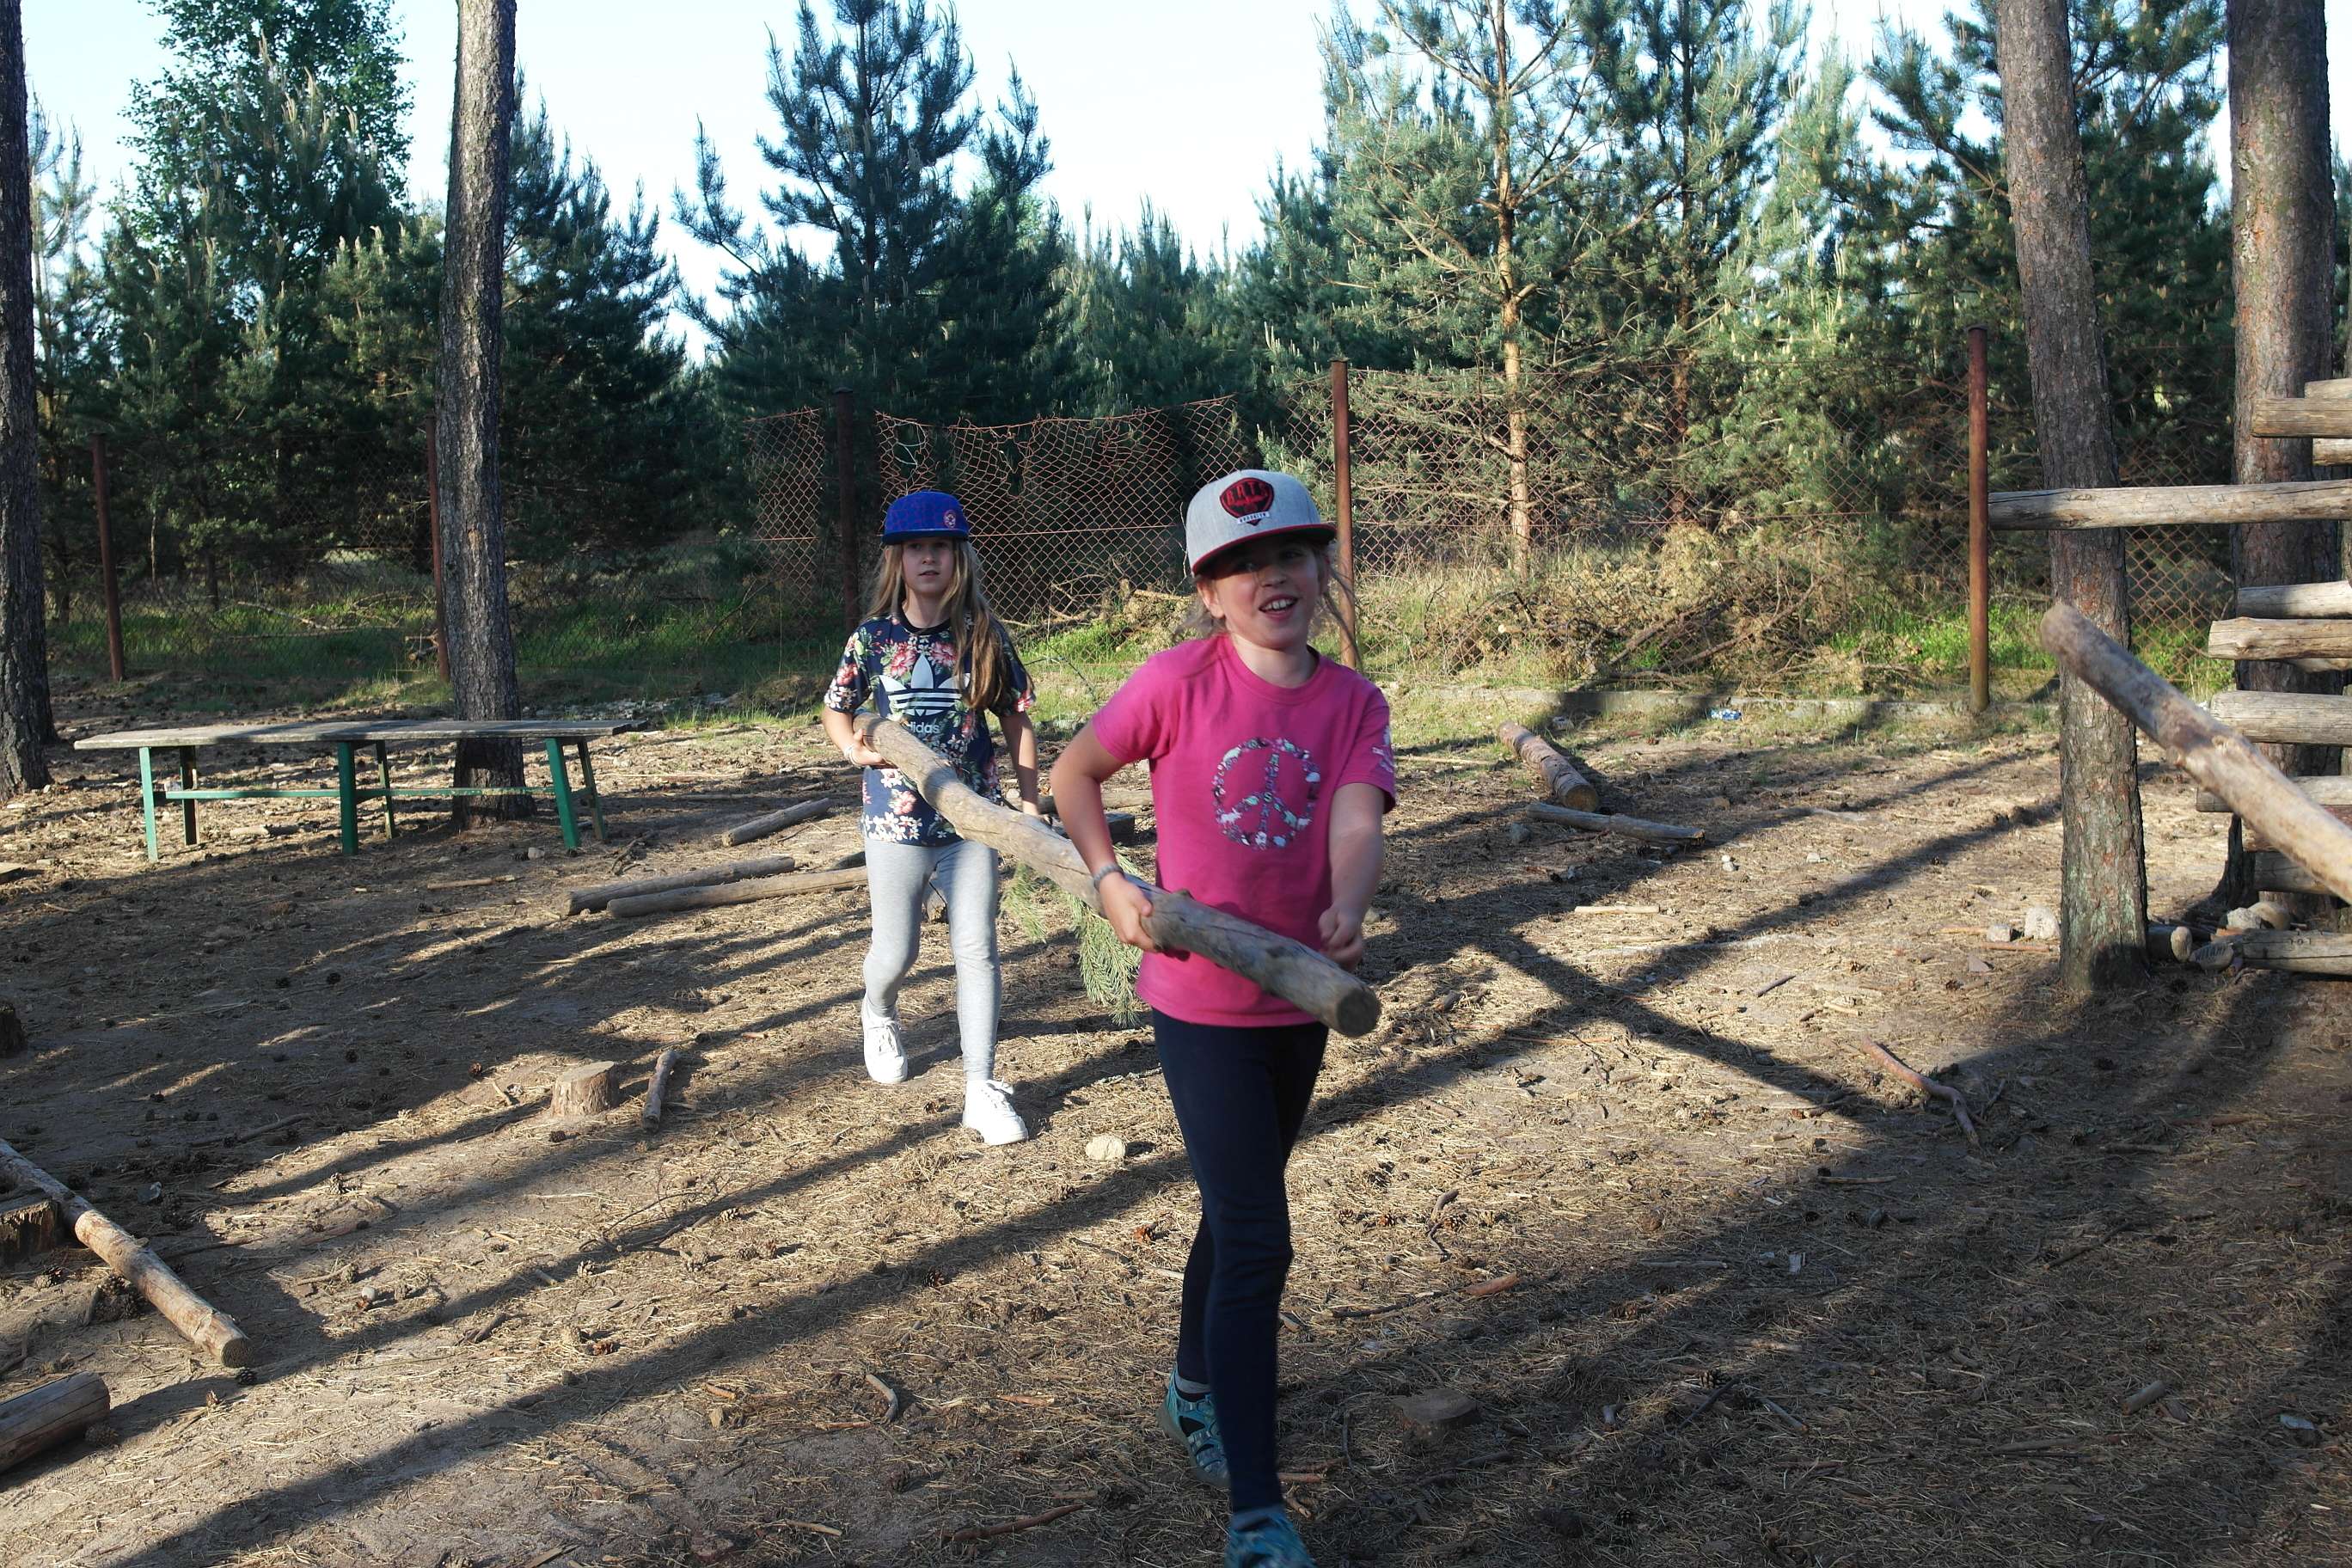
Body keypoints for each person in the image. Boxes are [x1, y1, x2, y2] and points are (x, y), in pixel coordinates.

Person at [1051, 470, 1393, 1568]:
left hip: (1298, 993)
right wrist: (1109, 878)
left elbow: (1355, 815)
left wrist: (1349, 905)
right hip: (1199, 1001)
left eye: (1289, 554)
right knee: (1257, 1235)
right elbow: (1075, 772)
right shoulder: (1175, 683)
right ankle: (1257, 1513)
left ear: (1319, 568)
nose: (1270, 578)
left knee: (1235, 1203)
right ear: (1208, 590)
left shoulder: (1353, 702)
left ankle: (1194, 1384)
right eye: (1242, 564)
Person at [821, 489, 1039, 1145]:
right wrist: (851, 747)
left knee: (978, 947)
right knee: (898, 950)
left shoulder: (983, 634)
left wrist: (1029, 806)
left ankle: (982, 1087)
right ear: (898, 559)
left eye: (940, 546)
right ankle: (877, 1009)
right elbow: (836, 706)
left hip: (972, 825)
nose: (928, 558)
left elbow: (1016, 719)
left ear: (958, 556)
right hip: (896, 822)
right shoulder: (873, 637)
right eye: (915, 547)